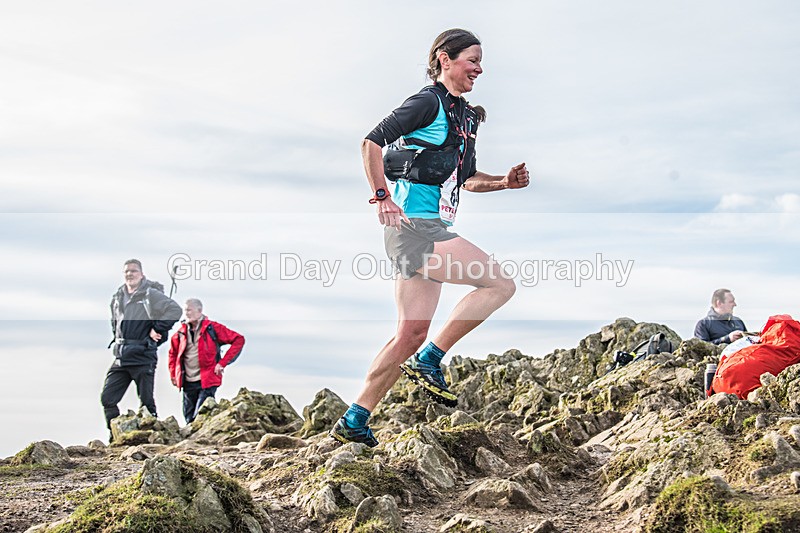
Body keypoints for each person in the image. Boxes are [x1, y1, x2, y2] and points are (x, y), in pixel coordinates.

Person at [331, 29, 530, 447]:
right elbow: (370, 141)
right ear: (444, 58)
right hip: (415, 229)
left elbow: (468, 179)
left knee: (409, 333)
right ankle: (430, 360)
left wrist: (503, 184)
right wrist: (382, 196)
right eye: (472, 59)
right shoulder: (428, 102)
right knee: (499, 283)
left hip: (428, 229)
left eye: (481, 62)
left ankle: (354, 419)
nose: (479, 68)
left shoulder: (466, 117)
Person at [102, 259, 181, 438]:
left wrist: (158, 328)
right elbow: (115, 324)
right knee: (107, 399)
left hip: (143, 356)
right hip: (121, 357)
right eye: (127, 271)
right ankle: (115, 437)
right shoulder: (117, 297)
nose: (130, 274)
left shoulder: (150, 295)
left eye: (134, 271)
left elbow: (175, 310)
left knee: (146, 403)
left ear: (141, 274)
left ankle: (154, 437)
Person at [168, 298, 245, 423]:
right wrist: (173, 375)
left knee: (201, 415)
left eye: (189, 310)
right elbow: (172, 354)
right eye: (185, 310)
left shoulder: (213, 328)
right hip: (187, 381)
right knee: (189, 418)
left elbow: (238, 340)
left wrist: (222, 363)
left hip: (208, 379)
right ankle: (191, 441)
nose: (186, 313)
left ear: (199, 311)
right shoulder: (180, 333)